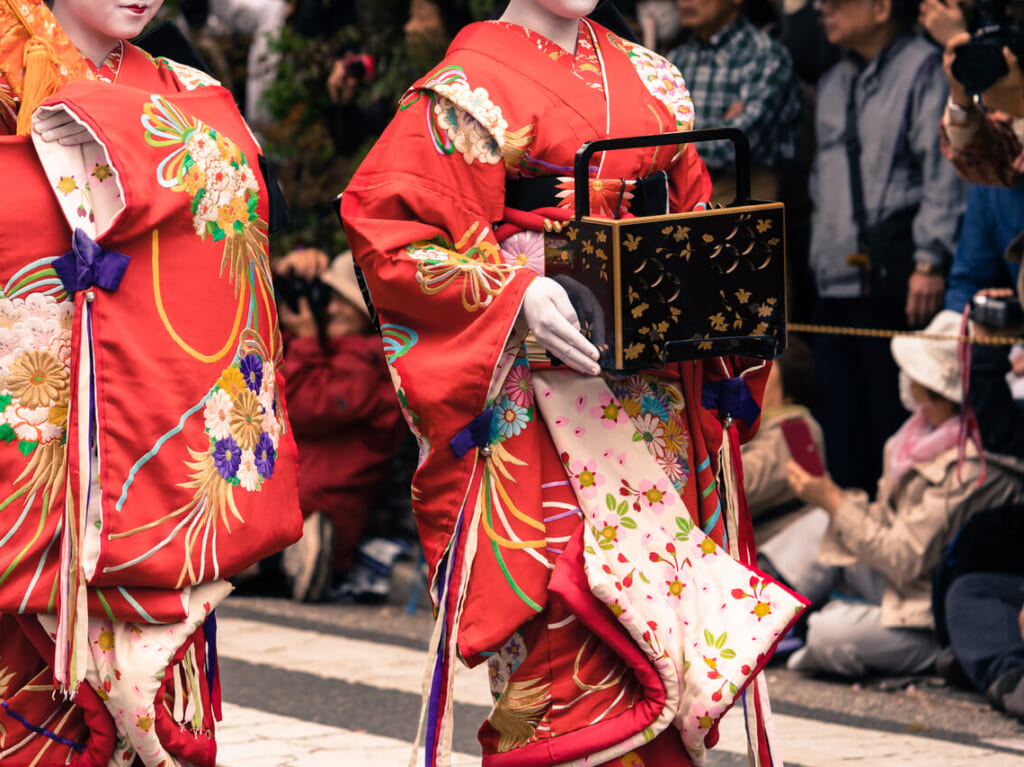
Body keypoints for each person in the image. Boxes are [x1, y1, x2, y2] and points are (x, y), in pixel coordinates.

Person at [341, 1, 806, 765]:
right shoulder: (463, 89)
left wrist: (720, 281)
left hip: (652, 409)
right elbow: (391, 231)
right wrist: (513, 289)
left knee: (661, 637)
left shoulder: (653, 77)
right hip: (537, 415)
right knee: (565, 647)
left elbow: (693, 215)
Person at [0, 1, 301, 764]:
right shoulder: (8, 75)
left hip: (156, 455)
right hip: (30, 458)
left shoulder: (187, 89)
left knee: (147, 728)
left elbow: (235, 273)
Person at [759, 310, 1024, 678]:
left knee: (829, 633)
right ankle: (754, 619)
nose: (906, 383)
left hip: (928, 611)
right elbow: (886, 527)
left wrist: (834, 499)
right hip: (899, 580)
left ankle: (949, 658)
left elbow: (903, 555)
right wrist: (833, 504)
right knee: (822, 523)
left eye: (914, 376)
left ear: (936, 392)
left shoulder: (973, 466)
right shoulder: (917, 437)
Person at [808, 0, 967, 495]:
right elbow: (819, 182)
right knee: (841, 427)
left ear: (880, 8)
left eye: (837, 2)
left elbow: (942, 170)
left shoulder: (924, 69)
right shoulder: (832, 83)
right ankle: (849, 551)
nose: (822, 8)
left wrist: (929, 258)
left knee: (892, 423)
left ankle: (894, 546)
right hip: (833, 281)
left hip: (894, 278)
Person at [273, 247, 409, 603]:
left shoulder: (372, 363)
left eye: (346, 302)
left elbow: (307, 407)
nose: (332, 308)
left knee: (272, 560)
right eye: (329, 298)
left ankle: (289, 565)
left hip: (323, 524)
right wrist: (282, 273)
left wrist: (302, 339)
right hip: (294, 509)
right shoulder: (330, 351)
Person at [667, 0, 804, 204]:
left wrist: (671, 142)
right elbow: (652, 132)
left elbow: (736, 145)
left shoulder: (765, 56)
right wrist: (720, 128)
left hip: (742, 195)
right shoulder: (676, 58)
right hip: (679, 197)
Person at [740, 334, 825, 543]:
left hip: (776, 559)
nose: (748, 382)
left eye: (763, 374)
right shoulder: (763, 428)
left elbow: (738, 486)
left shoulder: (797, 431)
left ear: (788, 387)